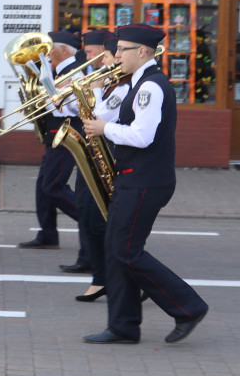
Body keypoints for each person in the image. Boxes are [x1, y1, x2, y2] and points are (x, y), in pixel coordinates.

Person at [81, 24, 208, 344]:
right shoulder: (137, 83)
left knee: (126, 251)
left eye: (122, 49)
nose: (116, 54)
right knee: (114, 251)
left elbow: (142, 136)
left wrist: (104, 129)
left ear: (142, 52)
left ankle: (187, 306)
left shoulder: (151, 87)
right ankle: (123, 325)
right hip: (134, 178)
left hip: (146, 181)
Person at [19, 30, 81, 249]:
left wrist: (53, 97)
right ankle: (48, 234)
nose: (46, 53)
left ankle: (95, 221)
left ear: (63, 49)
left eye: (50, 48)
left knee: (53, 186)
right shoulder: (55, 72)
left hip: (67, 135)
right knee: (42, 187)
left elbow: (76, 108)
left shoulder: (76, 72)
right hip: (54, 134)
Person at [73, 33, 122, 303]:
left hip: (109, 155)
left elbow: (99, 117)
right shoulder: (107, 84)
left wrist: (94, 87)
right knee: (87, 215)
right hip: (92, 153)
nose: (100, 60)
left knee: (102, 222)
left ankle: (122, 280)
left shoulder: (121, 86)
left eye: (106, 55)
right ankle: (102, 278)